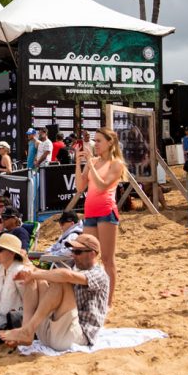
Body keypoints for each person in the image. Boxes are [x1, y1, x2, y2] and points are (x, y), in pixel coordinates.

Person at [0, 233, 110, 350]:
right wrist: (29, 268)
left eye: (78, 252)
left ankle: (28, 330)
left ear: (92, 254)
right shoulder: (76, 269)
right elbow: (46, 274)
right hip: (56, 333)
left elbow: (66, 275)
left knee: (60, 281)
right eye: (72, 251)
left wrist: (34, 274)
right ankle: (27, 331)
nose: (73, 255)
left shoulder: (99, 274)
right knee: (35, 280)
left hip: (78, 337)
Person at [74, 126, 125, 306]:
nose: (95, 144)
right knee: (88, 257)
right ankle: (93, 297)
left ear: (110, 143)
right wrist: (79, 162)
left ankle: (108, 302)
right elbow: (80, 187)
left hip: (106, 212)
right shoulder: (93, 161)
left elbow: (103, 185)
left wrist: (91, 164)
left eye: (99, 141)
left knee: (107, 259)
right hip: (90, 212)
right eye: (94, 140)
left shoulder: (116, 163)